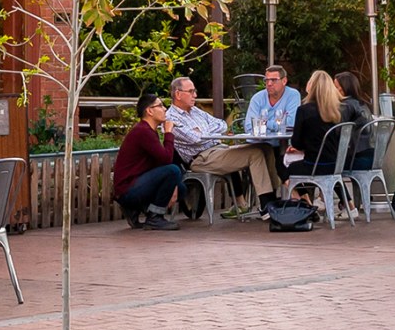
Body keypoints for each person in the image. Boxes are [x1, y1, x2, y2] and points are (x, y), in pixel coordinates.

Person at [175, 73, 284, 215]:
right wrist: (205, 132)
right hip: (201, 158)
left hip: (218, 150)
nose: (195, 95)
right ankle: (266, 205)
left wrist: (203, 130)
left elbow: (222, 125)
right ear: (178, 94)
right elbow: (194, 138)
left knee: (265, 148)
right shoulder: (172, 117)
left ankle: (274, 197)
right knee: (255, 153)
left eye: (194, 91)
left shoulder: (196, 111)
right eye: (191, 91)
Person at [110, 91, 183, 229]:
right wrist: (168, 133)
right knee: (173, 170)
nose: (165, 109)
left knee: (182, 188)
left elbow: (160, 161)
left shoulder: (148, 130)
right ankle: (154, 217)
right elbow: (167, 159)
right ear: (149, 111)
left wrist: (174, 184)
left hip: (138, 184)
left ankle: (136, 209)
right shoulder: (143, 131)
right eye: (160, 106)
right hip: (128, 190)